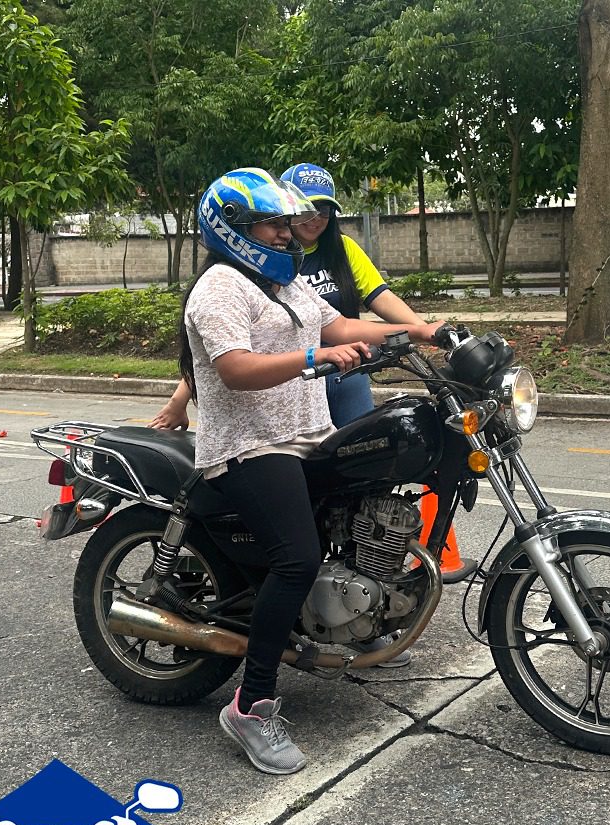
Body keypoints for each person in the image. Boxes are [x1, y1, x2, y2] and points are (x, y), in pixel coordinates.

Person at [181, 167, 442, 777]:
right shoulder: (219, 288)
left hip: (310, 438)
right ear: (233, 229)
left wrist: (422, 331)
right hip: (249, 445)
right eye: (270, 225)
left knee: (362, 507)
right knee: (297, 559)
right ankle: (251, 706)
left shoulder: (286, 282)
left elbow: (341, 325)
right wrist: (313, 357)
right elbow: (235, 368)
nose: (285, 233)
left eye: (283, 223)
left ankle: (360, 619)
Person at [148, 162, 428, 430]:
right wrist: (178, 401)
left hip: (342, 370)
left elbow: (364, 312)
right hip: (281, 384)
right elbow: (220, 351)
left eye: (324, 210)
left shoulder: (314, 263)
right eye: (305, 211)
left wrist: (422, 331)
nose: (315, 218)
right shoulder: (232, 278)